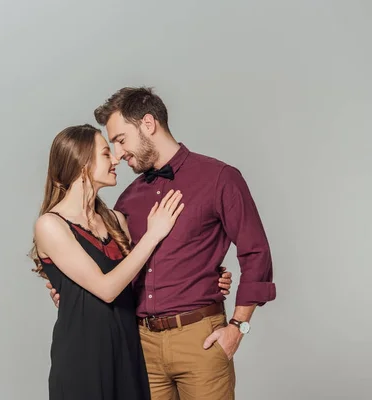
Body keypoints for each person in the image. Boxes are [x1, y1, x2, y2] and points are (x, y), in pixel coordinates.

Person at [47, 87, 276, 400]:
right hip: (141, 346)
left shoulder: (220, 178)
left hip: (200, 339)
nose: (119, 154)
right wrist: (74, 293)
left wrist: (238, 326)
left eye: (120, 139)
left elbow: (256, 252)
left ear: (148, 124)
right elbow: (117, 270)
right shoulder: (127, 200)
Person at [30, 124, 232, 400]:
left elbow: (150, 268)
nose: (116, 159)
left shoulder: (116, 220)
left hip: (128, 353)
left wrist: (208, 274)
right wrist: (153, 234)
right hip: (83, 360)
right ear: (82, 164)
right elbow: (107, 288)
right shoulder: (51, 225)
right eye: (105, 154)